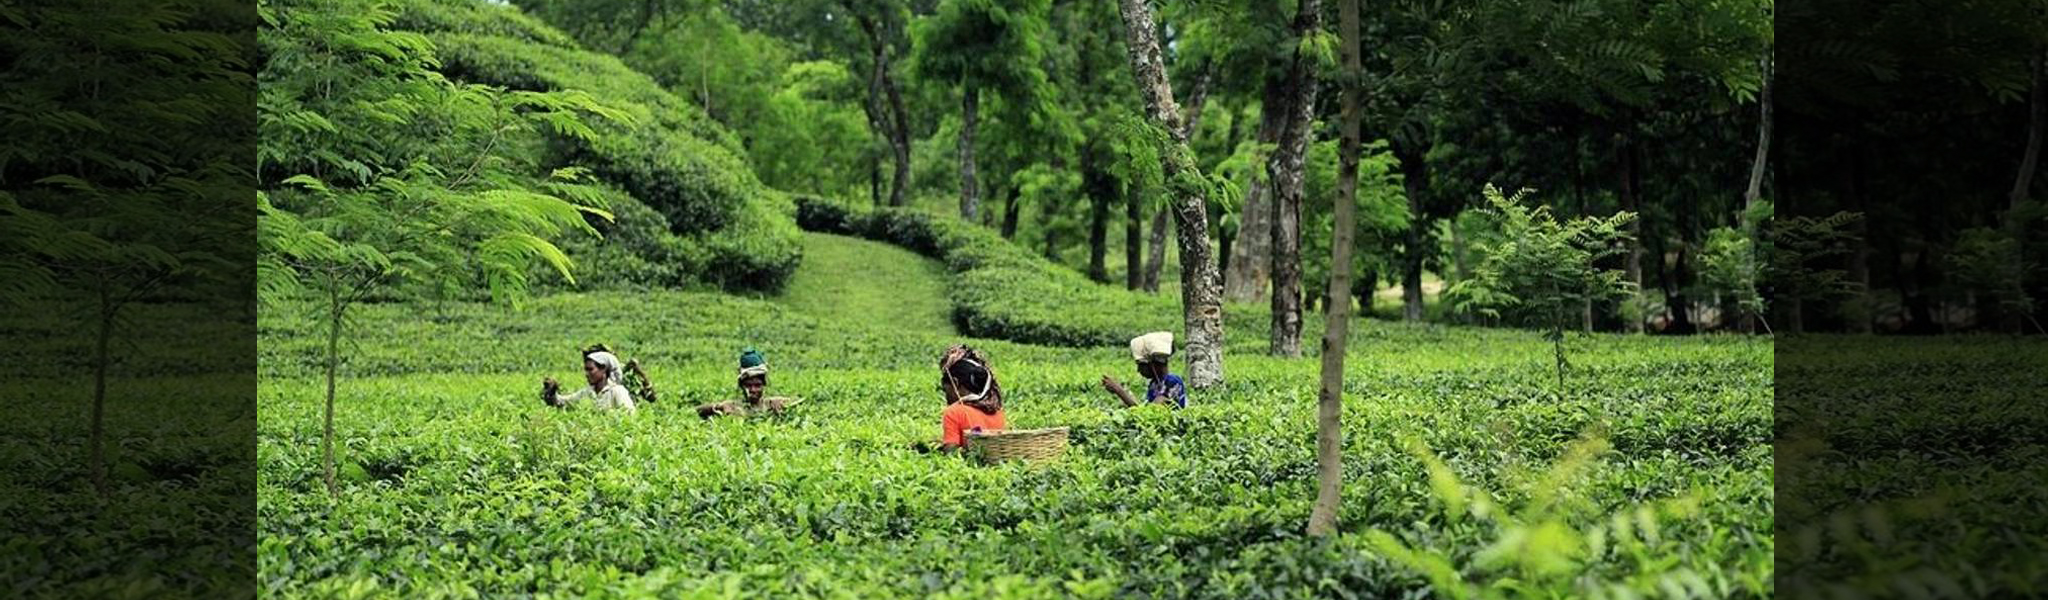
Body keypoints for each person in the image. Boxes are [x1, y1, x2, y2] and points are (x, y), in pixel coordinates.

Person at [936, 344, 1006, 451]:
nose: (946, 397)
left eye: (946, 390)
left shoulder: (954, 412)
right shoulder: (997, 411)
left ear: (955, 383)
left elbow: (951, 454)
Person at [697, 347, 800, 418]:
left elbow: (800, 402)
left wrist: (783, 403)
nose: (753, 390)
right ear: (741, 386)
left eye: (757, 385)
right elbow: (698, 411)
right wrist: (718, 406)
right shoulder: (733, 406)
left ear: (764, 385)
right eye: (748, 385)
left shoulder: (770, 404)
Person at [1100, 331, 1187, 409]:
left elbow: (1149, 414)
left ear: (1153, 364)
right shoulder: (1154, 383)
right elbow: (1143, 410)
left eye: (1141, 365)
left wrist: (1119, 391)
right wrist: (1123, 392)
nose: (1139, 370)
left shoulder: (1172, 382)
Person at [542, 349, 637, 412]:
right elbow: (563, 402)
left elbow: (629, 418)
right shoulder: (587, 392)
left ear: (603, 369)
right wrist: (552, 391)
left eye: (590, 369)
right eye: (585, 370)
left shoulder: (617, 391)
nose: (586, 374)